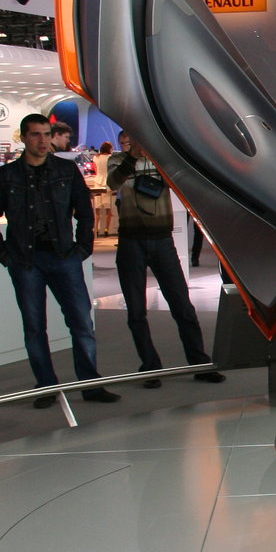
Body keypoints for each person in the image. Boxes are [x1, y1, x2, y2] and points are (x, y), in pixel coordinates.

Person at [0, 113, 119, 408]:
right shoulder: (7, 175)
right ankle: (45, 385)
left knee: (81, 322)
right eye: (35, 135)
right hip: (25, 260)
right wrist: (1, 253)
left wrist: (83, 247)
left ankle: (89, 384)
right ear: (24, 138)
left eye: (46, 134)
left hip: (64, 256)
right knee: (34, 326)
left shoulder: (65, 170)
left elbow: (84, 210)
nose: (42, 141)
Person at [109, 131, 224, 388]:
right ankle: (150, 367)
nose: (134, 145)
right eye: (128, 142)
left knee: (182, 305)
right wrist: (132, 157)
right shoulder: (117, 160)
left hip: (162, 240)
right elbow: (114, 183)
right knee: (136, 310)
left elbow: (182, 183)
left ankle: (199, 362)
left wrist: (159, 156)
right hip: (131, 241)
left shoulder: (160, 160)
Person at [88, 141, 116, 237]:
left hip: (97, 182)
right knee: (108, 210)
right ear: (109, 149)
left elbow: (96, 170)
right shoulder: (111, 158)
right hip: (107, 183)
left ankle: (95, 230)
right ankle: (106, 230)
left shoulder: (96, 157)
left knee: (97, 210)